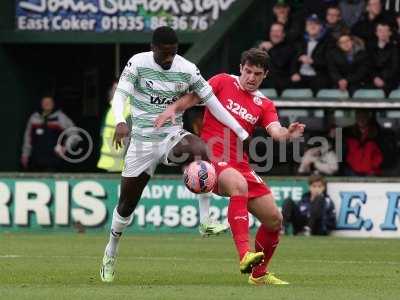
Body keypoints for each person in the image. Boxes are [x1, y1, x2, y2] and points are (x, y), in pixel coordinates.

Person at [99, 26, 251, 283]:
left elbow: (213, 101)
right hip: (142, 144)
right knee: (126, 206)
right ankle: (110, 251)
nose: (169, 58)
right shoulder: (138, 63)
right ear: (154, 48)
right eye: (165, 53)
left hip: (171, 137)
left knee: (201, 150)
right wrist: (119, 122)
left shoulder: (187, 69)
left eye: (174, 52)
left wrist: (239, 130)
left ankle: (205, 221)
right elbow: (120, 96)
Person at [155, 48, 305, 285]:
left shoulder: (264, 104)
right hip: (212, 158)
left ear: (265, 74)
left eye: (257, 73)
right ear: (241, 69)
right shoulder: (222, 81)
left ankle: (259, 274)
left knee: (274, 219)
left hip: (241, 164)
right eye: (247, 71)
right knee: (238, 185)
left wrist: (287, 133)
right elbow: (194, 98)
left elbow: (275, 131)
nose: (251, 77)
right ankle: (244, 254)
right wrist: (172, 109)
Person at [21, 95, 74, 171]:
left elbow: (74, 134)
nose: (47, 104)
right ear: (40, 103)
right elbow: (28, 138)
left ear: (53, 103)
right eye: (44, 102)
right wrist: (25, 155)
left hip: (55, 161)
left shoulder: (61, 117)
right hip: (36, 160)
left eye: (49, 102)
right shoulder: (34, 117)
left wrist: (65, 148)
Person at [290, 14, 330, 95]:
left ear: (321, 27)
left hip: (318, 78)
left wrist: (312, 61)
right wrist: (294, 73)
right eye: (310, 24)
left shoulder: (328, 43)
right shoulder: (299, 42)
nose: (312, 26)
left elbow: (329, 64)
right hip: (300, 77)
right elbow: (292, 61)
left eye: (316, 24)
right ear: (306, 27)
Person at [97, 81, 131, 172]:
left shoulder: (129, 109)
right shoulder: (112, 110)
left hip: (126, 168)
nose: (115, 92)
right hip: (112, 166)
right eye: (115, 89)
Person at [258, 22, 295, 95]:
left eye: (278, 31)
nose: (275, 34)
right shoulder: (263, 47)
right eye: (272, 31)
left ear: (283, 34)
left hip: (281, 88)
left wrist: (271, 49)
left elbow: (280, 63)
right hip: (263, 86)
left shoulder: (289, 48)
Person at [343, 110, 383, 176]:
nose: (361, 119)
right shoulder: (348, 132)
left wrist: (373, 168)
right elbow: (340, 152)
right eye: (358, 117)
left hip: (371, 173)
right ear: (356, 118)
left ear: (368, 118)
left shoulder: (377, 134)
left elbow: (380, 156)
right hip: (351, 172)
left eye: (364, 117)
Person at [366, 22, 399, 95]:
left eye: (385, 31)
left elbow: (395, 67)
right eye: (380, 31)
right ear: (376, 33)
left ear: (390, 33)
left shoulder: (395, 49)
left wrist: (381, 79)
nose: (383, 33)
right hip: (372, 80)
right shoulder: (370, 48)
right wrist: (375, 78)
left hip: (389, 81)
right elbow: (368, 66)